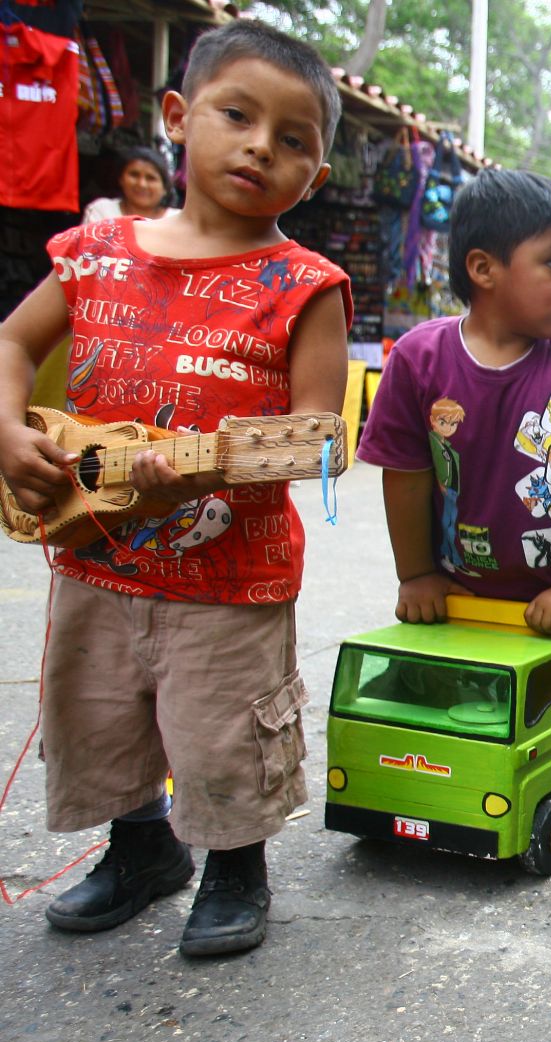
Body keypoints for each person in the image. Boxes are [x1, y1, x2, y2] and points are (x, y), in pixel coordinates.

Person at [0, 21, 349, 956]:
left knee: (220, 726)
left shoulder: (304, 285)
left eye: (292, 140)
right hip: (95, 555)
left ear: (313, 176)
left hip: (231, 575)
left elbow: (319, 441)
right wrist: (6, 428)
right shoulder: (94, 251)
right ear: (175, 117)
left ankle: (238, 867)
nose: (259, 147)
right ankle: (142, 848)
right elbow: (11, 343)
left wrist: (194, 467)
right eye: (237, 115)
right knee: (103, 707)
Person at [357, 168, 551, 638]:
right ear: (483, 269)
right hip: (460, 592)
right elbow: (406, 477)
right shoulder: (418, 358)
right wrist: (416, 575)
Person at [82, 146, 176, 224]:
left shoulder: (176, 220)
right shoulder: (102, 211)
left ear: (165, 188)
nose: (141, 184)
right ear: (121, 179)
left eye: (151, 178)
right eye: (134, 175)